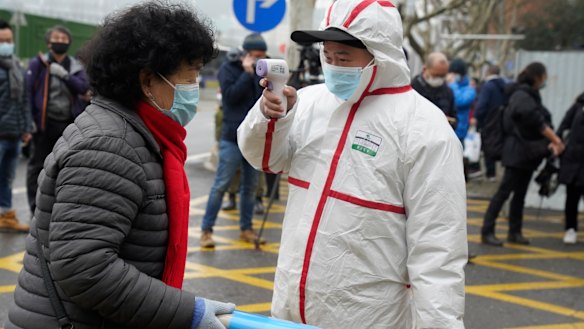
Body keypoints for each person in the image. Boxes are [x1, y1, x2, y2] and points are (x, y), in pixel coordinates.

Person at [238, 1, 467, 327]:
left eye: (343, 58)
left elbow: (438, 251)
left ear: (381, 54)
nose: (332, 66)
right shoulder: (310, 102)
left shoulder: (425, 129)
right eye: (327, 56)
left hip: (368, 316)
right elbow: (264, 159)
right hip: (290, 309)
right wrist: (271, 117)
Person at [7, 3, 234, 328]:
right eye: (191, 73)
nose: (194, 85)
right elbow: (85, 267)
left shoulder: (138, 135)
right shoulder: (110, 145)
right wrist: (187, 312)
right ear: (146, 80)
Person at [480, 62, 565, 247]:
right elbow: (535, 119)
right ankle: (487, 231)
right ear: (538, 76)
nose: (545, 80)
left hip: (526, 152)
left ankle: (515, 231)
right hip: (517, 151)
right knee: (504, 192)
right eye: (544, 76)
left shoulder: (527, 94)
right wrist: (555, 139)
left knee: (520, 194)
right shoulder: (522, 94)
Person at [200, 33, 267, 248]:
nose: (259, 60)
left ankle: (246, 228)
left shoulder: (261, 70)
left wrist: (256, 75)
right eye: (256, 56)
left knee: (250, 187)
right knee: (221, 185)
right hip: (231, 137)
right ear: (246, 54)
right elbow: (231, 97)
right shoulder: (227, 69)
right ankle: (206, 230)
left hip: (254, 138)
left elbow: (261, 99)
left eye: (262, 56)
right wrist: (247, 74)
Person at [25, 25, 90, 215]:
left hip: (68, 124)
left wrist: (64, 75)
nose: (60, 42)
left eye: (64, 39)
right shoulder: (38, 64)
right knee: (37, 167)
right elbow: (28, 92)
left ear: (69, 42)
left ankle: (59, 209)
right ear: (48, 42)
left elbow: (83, 87)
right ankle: (34, 209)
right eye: (56, 39)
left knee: (66, 167)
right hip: (44, 124)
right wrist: (30, 120)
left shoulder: (75, 66)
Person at [0, 19, 32, 232]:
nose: (7, 44)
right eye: (2, 41)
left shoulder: (16, 66)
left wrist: (27, 127)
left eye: (9, 40)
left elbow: (24, 99)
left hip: (14, 134)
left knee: (7, 178)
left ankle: (5, 215)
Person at [556, 91, 584, 244]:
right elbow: (563, 127)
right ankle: (570, 229)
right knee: (572, 197)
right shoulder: (578, 105)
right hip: (574, 160)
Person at [475, 64, 507, 181]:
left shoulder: (488, 87)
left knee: (488, 148)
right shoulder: (505, 85)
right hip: (502, 121)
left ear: (488, 72)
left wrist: (478, 118)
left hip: (488, 122)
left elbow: (481, 107)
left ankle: (491, 174)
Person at [411, 51, 457, 129]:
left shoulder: (448, 92)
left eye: (442, 76)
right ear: (425, 69)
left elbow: (454, 118)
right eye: (436, 75)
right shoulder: (412, 89)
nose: (439, 79)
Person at [449, 58, 476, 144]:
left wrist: (452, 84)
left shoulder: (470, 90)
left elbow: (459, 101)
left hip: (459, 132)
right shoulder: (448, 85)